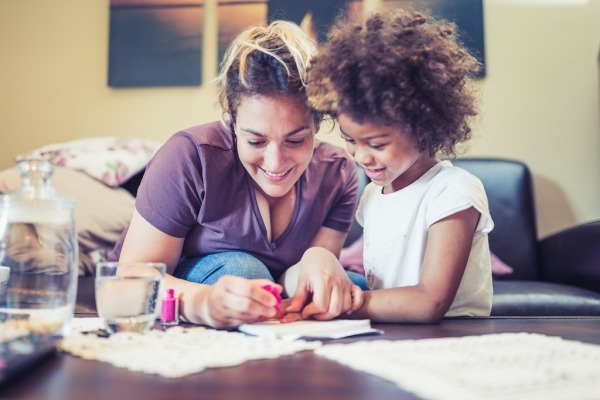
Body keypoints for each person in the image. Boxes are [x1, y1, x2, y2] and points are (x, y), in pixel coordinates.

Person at [117, 20, 363, 329]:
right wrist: (203, 304)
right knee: (244, 271)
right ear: (232, 122)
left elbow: (297, 285)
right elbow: (128, 280)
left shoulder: (338, 173)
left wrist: (318, 261)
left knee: (356, 289)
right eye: (256, 141)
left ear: (317, 124)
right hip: (184, 287)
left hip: (271, 292)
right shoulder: (189, 157)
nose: (275, 163)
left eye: (296, 140)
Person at [306, 9, 494, 322]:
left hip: (456, 338)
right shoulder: (372, 196)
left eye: (377, 145)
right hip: (393, 333)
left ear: (424, 127)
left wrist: (347, 302)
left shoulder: (452, 191)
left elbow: (429, 302)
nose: (360, 156)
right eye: (350, 139)